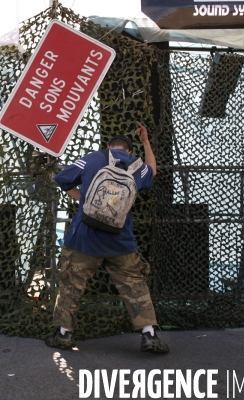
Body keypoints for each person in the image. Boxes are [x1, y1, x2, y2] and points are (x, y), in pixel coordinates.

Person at [45, 122, 169, 353]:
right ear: (129, 150)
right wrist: (146, 141)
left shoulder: (92, 158)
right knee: (135, 286)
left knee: (71, 283)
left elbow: (62, 179)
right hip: (120, 240)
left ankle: (64, 334)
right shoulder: (136, 165)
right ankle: (149, 334)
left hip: (84, 237)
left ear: (109, 146)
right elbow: (153, 170)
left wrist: (83, 200)